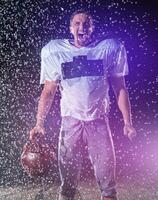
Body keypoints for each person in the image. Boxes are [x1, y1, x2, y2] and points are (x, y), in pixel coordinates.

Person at [29, 9, 136, 200]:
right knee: (67, 183)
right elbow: (48, 91)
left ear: (92, 28)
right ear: (70, 28)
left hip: (98, 120)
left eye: (86, 24)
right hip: (70, 120)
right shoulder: (56, 51)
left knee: (107, 181)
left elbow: (120, 88)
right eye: (77, 24)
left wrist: (128, 122)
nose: (82, 27)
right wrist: (39, 123)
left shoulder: (108, 49)